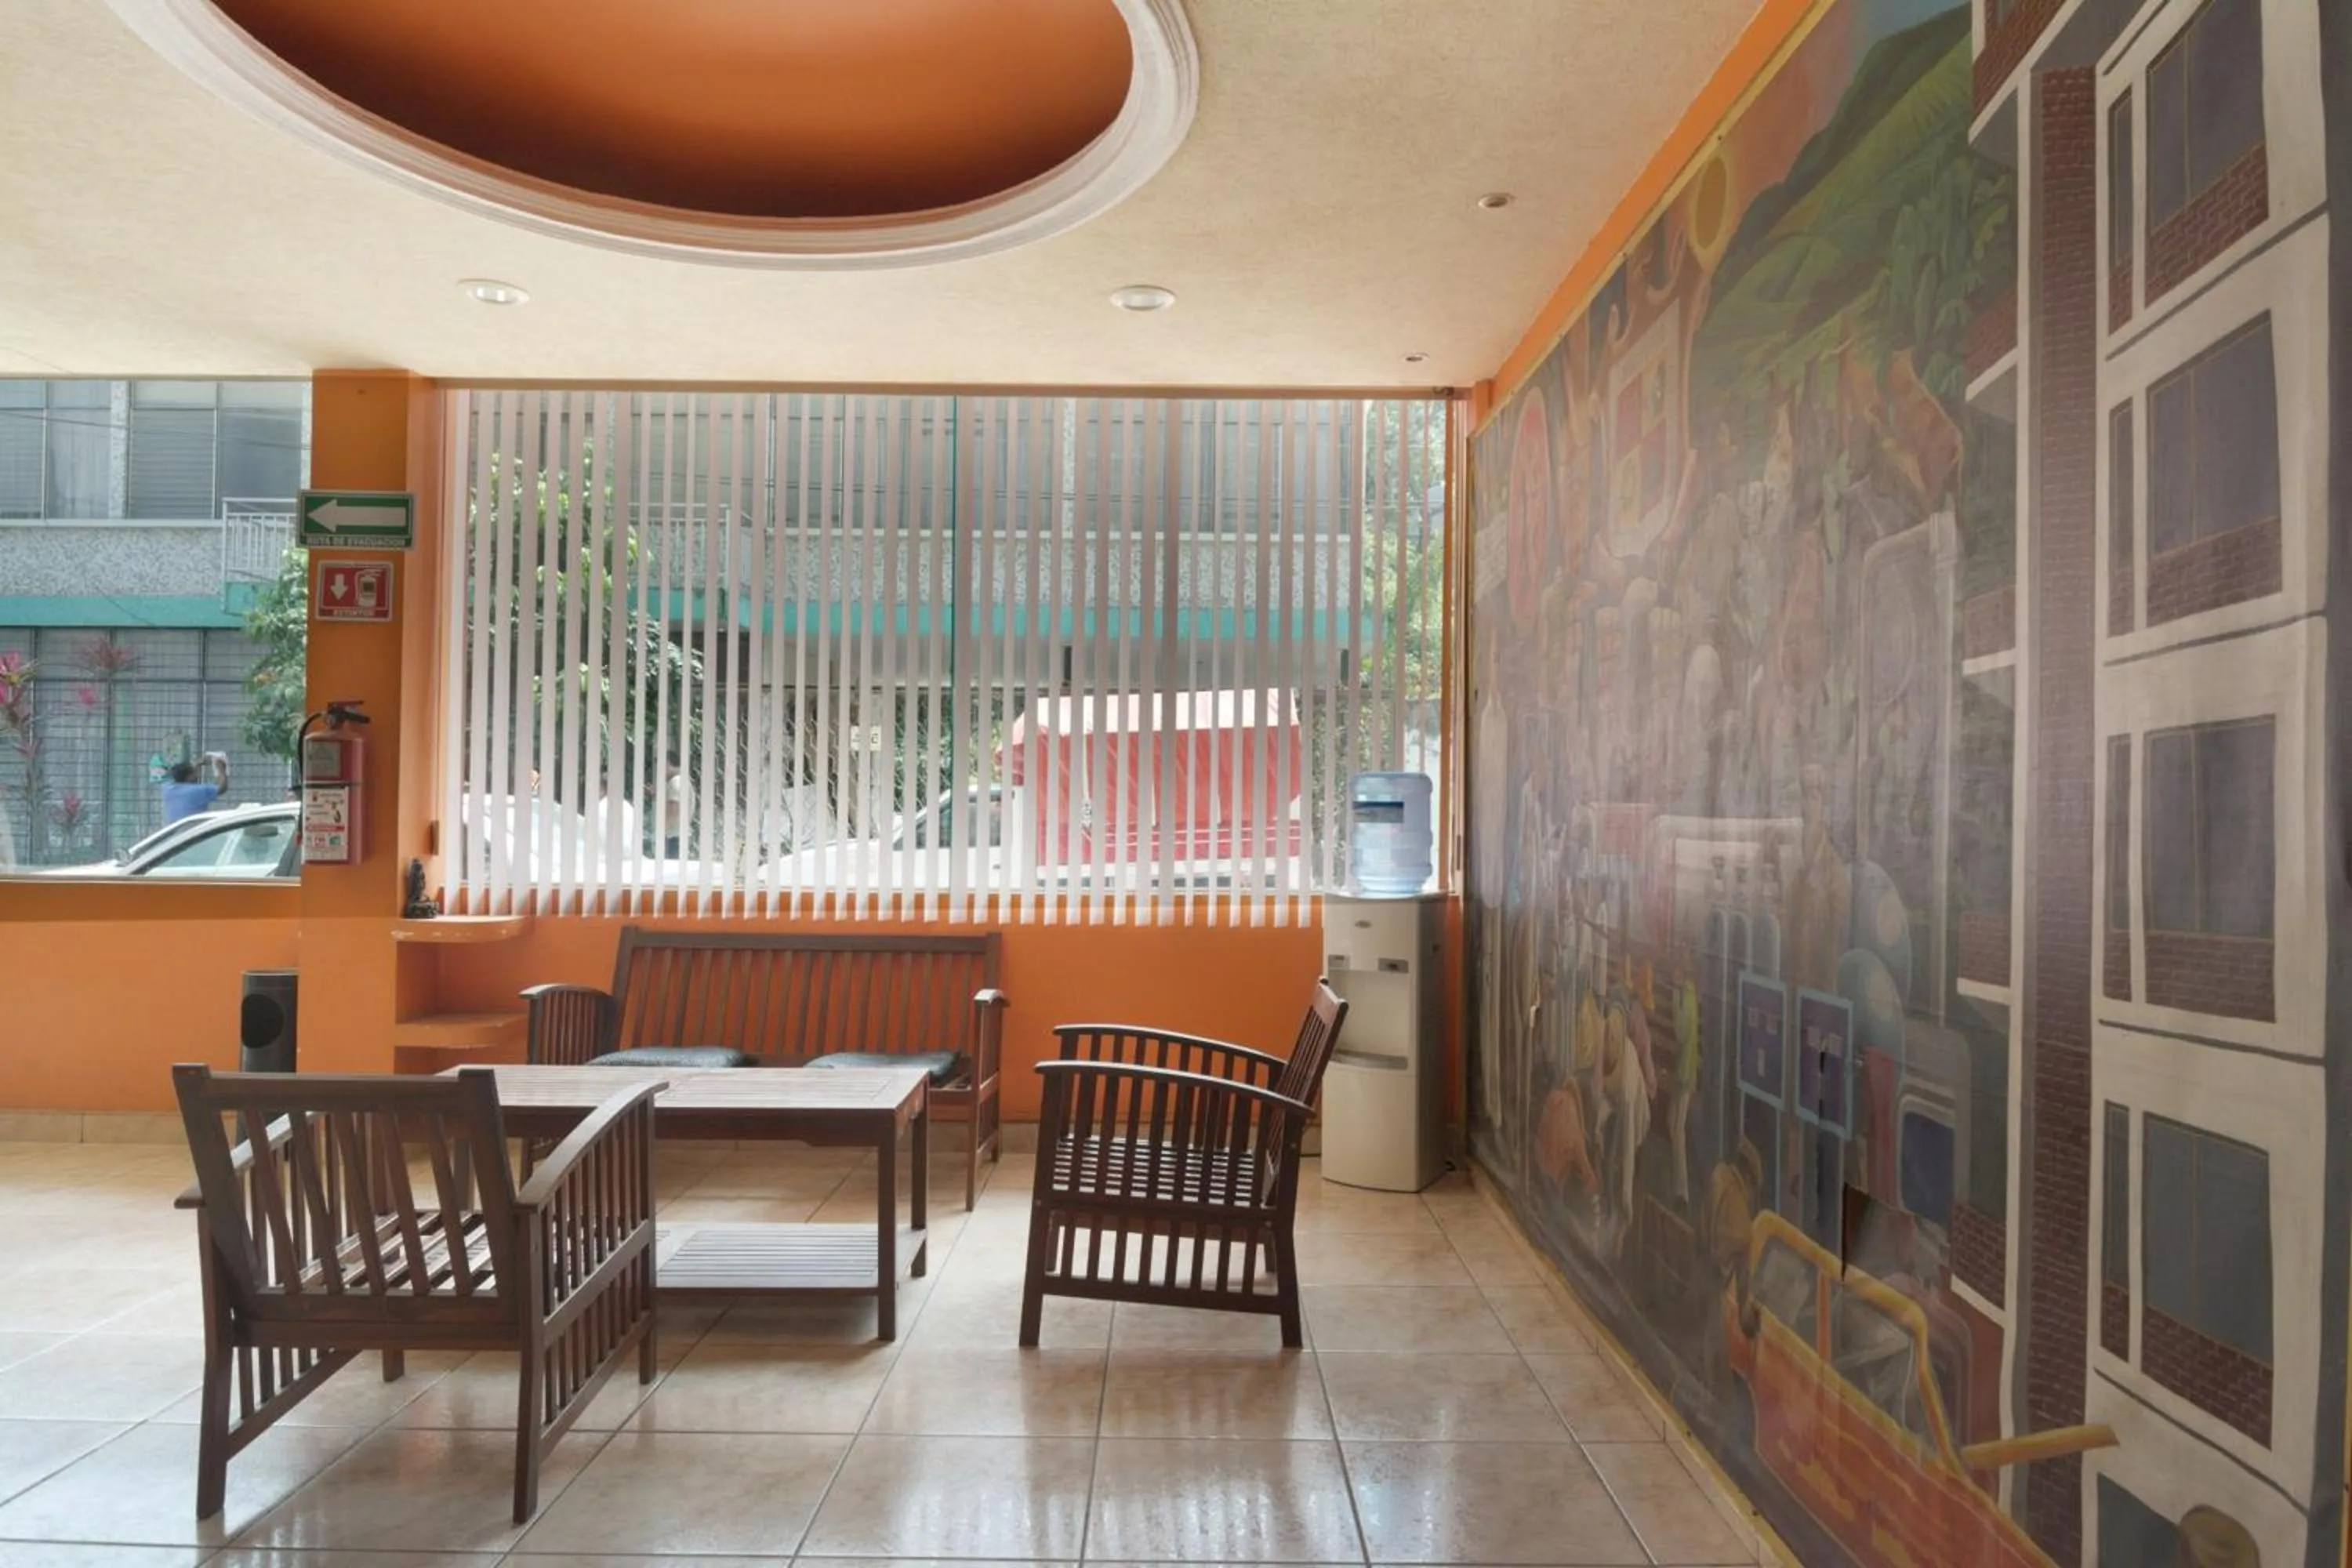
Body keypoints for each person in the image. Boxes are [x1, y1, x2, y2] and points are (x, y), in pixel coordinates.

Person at [162, 752, 229, 825]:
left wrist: (198, 763)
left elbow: (184, 775)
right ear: (189, 776)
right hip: (194, 832)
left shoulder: (168, 790)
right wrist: (221, 770)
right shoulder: (197, 791)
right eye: (193, 773)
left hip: (174, 832)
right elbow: (222, 788)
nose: (196, 775)